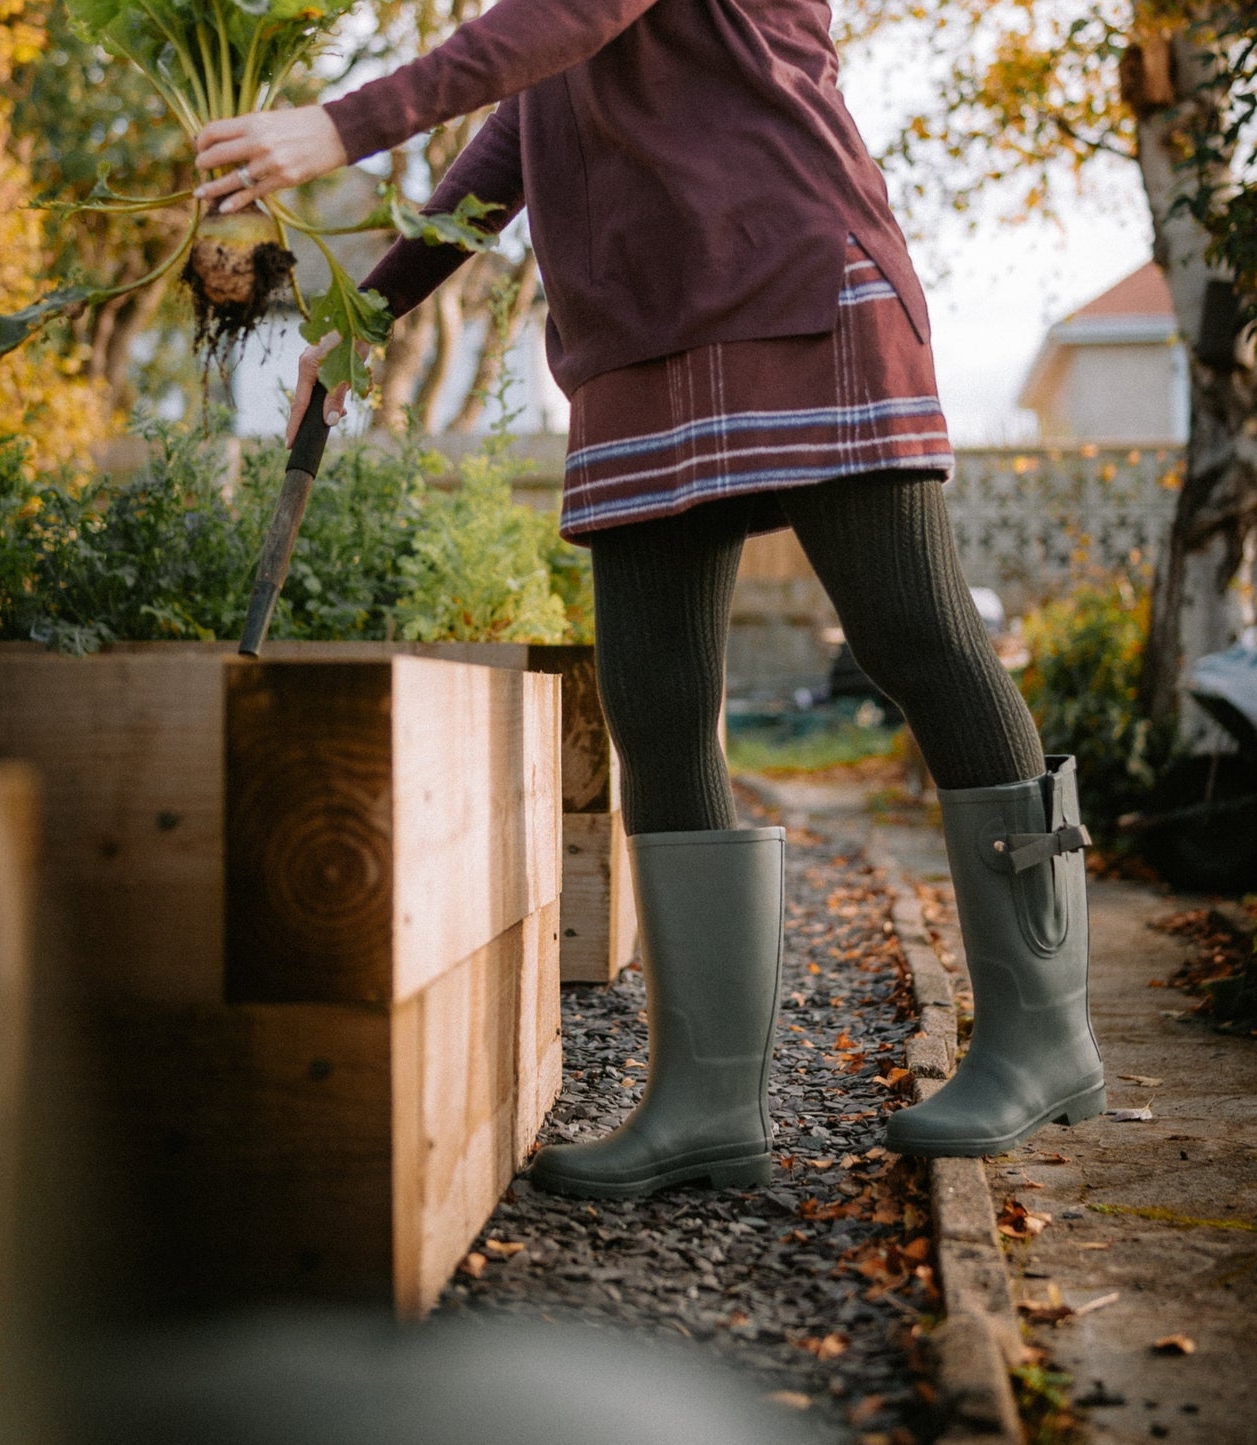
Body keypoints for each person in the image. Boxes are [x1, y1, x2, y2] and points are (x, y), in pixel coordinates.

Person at [193, 0, 1105, 1191]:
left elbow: (568, 12)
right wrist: (371, 310)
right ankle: (706, 1096)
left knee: (914, 636)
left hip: (790, 278)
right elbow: (522, 128)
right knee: (652, 695)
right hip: (639, 334)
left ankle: (1044, 1033)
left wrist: (342, 123)